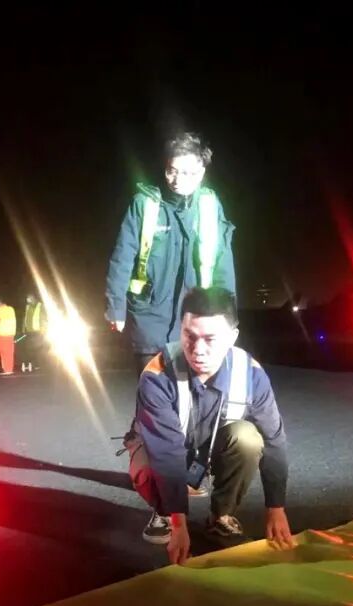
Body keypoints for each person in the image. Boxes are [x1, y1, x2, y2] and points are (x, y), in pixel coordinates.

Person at [126, 287, 293, 565]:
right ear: (180, 330)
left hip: (210, 446)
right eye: (189, 336)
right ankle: (164, 511)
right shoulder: (157, 375)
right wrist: (179, 524)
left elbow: (274, 439)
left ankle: (221, 516)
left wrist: (276, 508)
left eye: (210, 339)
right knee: (147, 466)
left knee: (248, 438)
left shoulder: (251, 373)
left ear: (232, 337)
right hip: (162, 447)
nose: (198, 350)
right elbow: (167, 453)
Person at [105, 132, 236, 373]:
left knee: (194, 393)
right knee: (152, 391)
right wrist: (115, 307)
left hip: (197, 321)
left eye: (186, 173)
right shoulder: (144, 203)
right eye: (171, 171)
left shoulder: (210, 206)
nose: (177, 180)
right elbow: (122, 257)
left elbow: (223, 263)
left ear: (201, 173)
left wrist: (228, 316)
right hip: (149, 319)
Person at [20, 292, 46, 372]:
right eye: (27, 298)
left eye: (29, 298)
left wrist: (43, 328)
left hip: (38, 331)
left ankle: (38, 364)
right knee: (28, 348)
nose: (28, 300)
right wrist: (23, 328)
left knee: (37, 349)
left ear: (34, 298)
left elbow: (44, 317)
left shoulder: (40, 306)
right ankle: (32, 363)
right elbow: (25, 317)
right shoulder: (27, 306)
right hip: (29, 331)